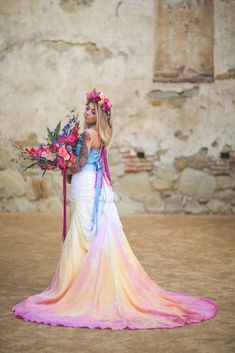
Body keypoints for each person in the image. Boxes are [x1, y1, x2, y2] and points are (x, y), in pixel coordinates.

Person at [11, 89, 219, 330]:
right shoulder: (102, 134)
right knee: (92, 232)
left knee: (82, 233)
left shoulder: (88, 134)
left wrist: (61, 165)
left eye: (91, 110)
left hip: (87, 185)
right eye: (86, 109)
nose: (86, 112)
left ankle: (78, 290)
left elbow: (78, 165)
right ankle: (89, 284)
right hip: (94, 186)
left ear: (99, 114)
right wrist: (65, 164)